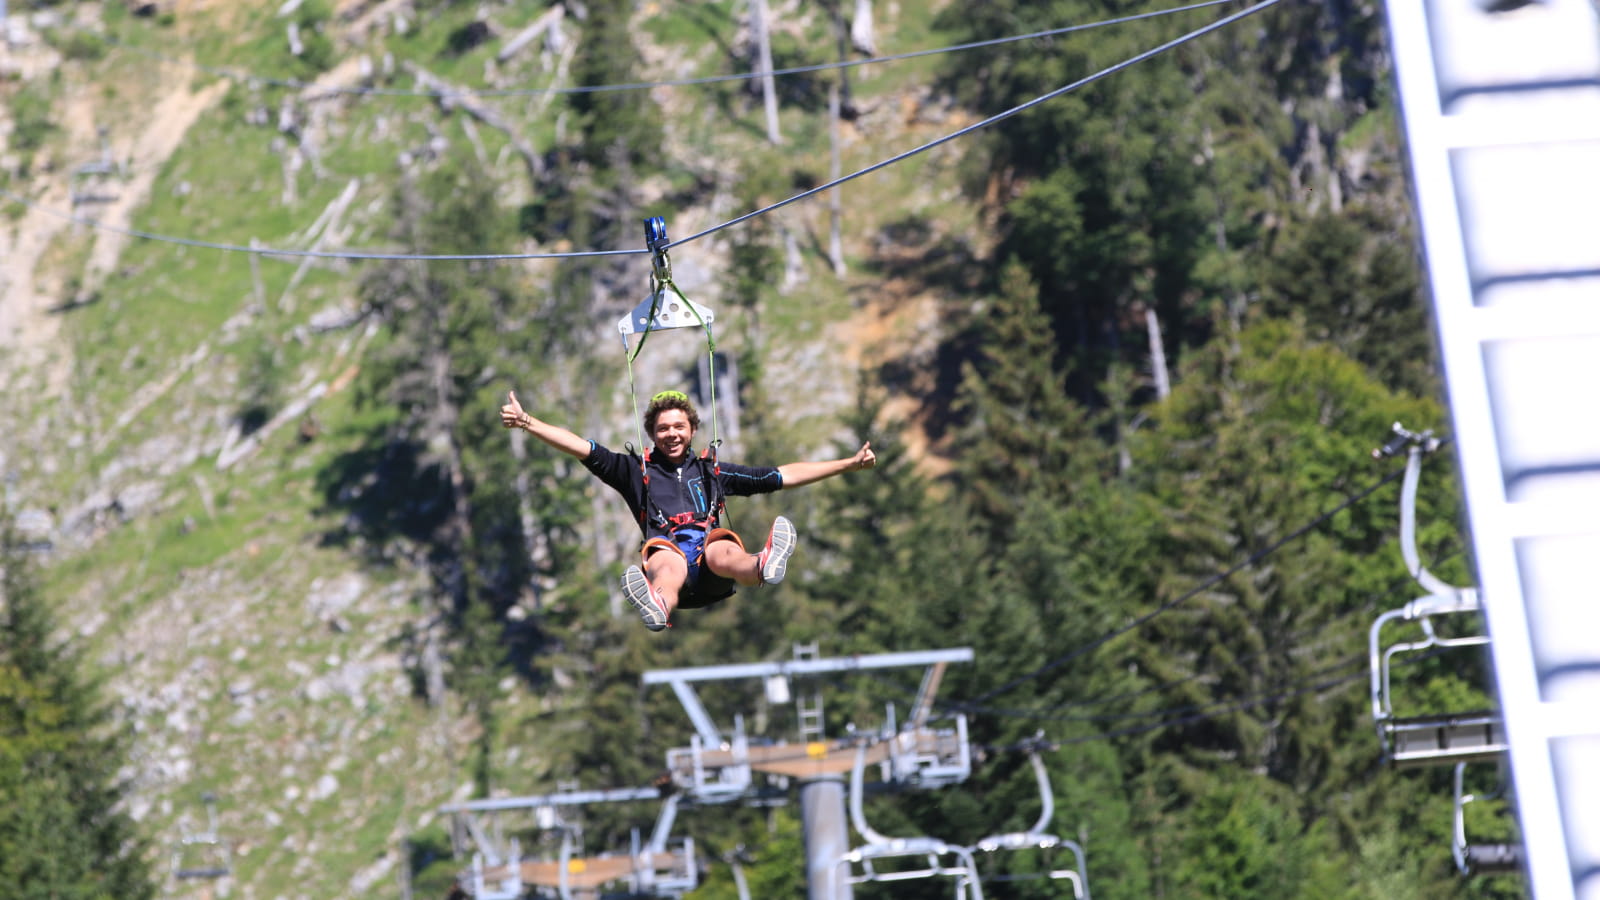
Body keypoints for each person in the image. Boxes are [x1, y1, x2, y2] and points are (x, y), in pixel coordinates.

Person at [499, 389, 876, 631]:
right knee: (664, 557)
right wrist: (527, 422)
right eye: (663, 428)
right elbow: (580, 447)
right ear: (652, 434)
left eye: (679, 426)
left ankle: (761, 566)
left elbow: (780, 475)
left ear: (692, 430)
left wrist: (847, 464)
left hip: (714, 569)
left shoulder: (713, 471)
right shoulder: (632, 471)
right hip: (673, 561)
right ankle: (659, 604)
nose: (672, 434)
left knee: (721, 547)